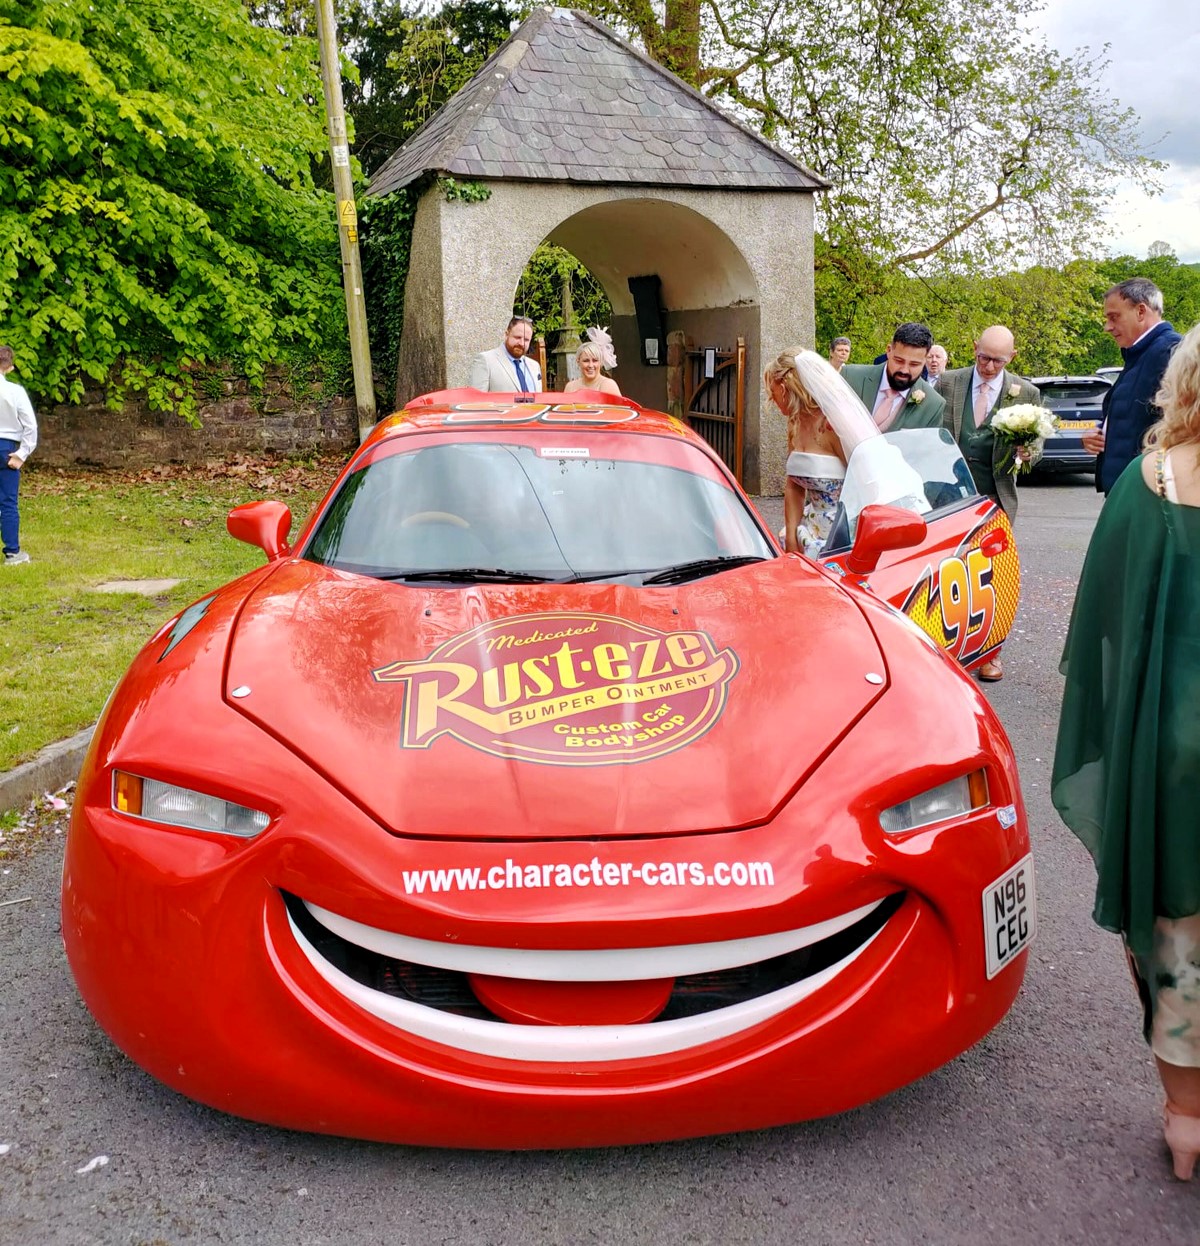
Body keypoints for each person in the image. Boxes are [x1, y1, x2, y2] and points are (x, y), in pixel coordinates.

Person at [1052, 322, 1200, 1182]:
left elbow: (1098, 630)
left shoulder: (1149, 485)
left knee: (1178, 936)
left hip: (1175, 752)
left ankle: (1187, 1120)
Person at [937, 326, 1041, 681]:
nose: (989, 366)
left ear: (1011, 357)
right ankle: (943, 647)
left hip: (995, 495)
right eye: (983, 357)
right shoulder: (948, 382)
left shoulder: (1026, 392)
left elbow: (1034, 454)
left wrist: (1027, 455)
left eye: (998, 360)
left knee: (991, 577)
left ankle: (990, 653)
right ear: (973, 349)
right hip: (947, 494)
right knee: (945, 571)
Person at [765, 349, 880, 556]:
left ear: (785, 387)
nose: (772, 401)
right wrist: (791, 535)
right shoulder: (795, 423)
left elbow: (868, 483)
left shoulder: (834, 426)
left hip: (843, 537)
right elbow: (794, 485)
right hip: (808, 531)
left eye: (773, 394)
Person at [1082, 278, 1182, 494]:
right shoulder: (1139, 354)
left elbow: (1183, 427)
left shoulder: (1171, 352)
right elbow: (1138, 417)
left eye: (1114, 317)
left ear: (1140, 311)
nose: (1107, 327)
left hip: (1147, 494)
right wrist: (1101, 432)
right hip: (1129, 490)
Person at [842, 323, 945, 431]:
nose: (904, 370)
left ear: (925, 360)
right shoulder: (850, 377)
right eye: (899, 360)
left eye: (914, 364)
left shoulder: (933, 405)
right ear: (889, 350)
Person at [0, 345, 37, 566]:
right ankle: (12, 553)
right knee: (8, 502)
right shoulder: (15, 392)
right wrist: (22, 453)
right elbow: (30, 425)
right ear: (10, 367)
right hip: (7, 448)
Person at [468, 316, 543, 392]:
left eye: (526, 340)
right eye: (517, 337)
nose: (521, 343)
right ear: (506, 334)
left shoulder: (534, 366)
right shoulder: (485, 360)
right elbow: (476, 401)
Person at [564, 329, 621, 396]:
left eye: (595, 361)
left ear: (600, 362)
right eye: (586, 361)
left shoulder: (608, 385)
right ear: (578, 361)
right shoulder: (570, 387)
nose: (591, 365)